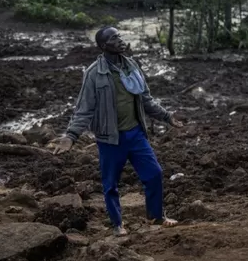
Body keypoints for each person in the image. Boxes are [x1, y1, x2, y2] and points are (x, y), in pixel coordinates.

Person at [53, 26, 183, 236]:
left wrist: (167, 117)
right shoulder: (94, 73)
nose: (121, 40)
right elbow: (84, 109)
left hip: (135, 134)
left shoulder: (132, 65)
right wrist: (71, 136)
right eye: (115, 38)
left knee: (154, 174)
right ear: (104, 46)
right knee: (111, 184)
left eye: (120, 36)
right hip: (110, 139)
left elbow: (146, 99)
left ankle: (156, 217)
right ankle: (117, 224)